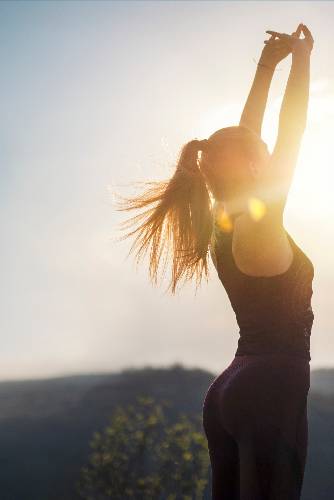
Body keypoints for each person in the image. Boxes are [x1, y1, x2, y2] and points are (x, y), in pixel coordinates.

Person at [116, 24, 315, 500]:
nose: (270, 155)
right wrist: (304, 60)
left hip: (231, 388)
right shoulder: (262, 222)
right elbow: (292, 131)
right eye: (262, 155)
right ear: (250, 167)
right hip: (272, 387)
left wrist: (267, 67)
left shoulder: (225, 219)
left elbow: (246, 139)